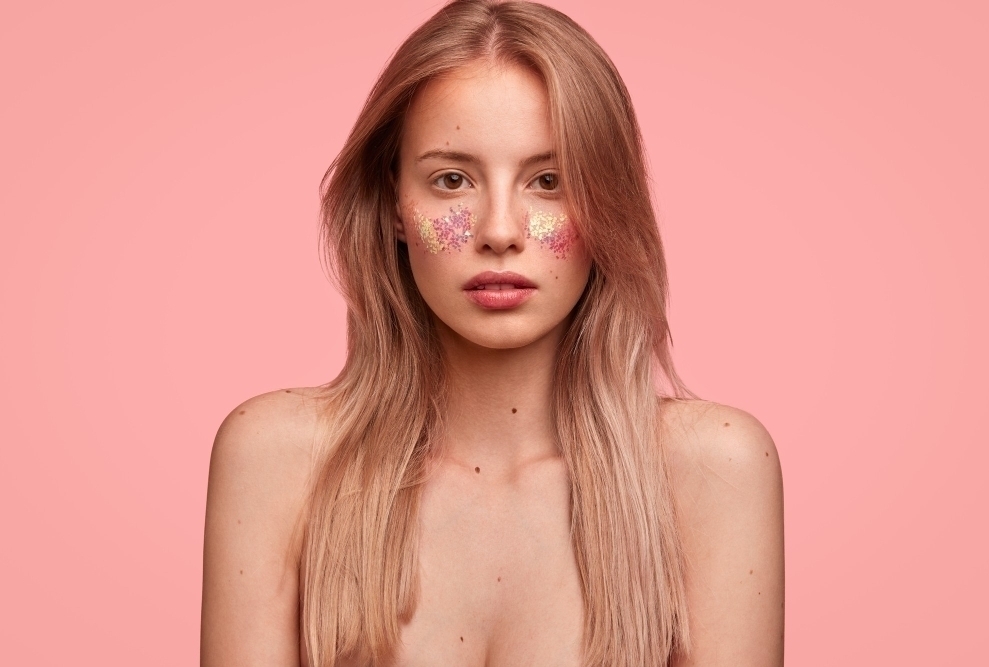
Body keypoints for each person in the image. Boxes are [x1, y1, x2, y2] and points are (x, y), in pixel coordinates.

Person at [200, 1, 784, 665]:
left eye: (548, 181)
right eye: (452, 180)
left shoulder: (714, 471)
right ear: (395, 203)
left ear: (606, 201)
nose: (499, 230)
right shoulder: (279, 460)